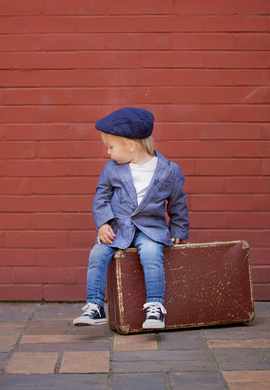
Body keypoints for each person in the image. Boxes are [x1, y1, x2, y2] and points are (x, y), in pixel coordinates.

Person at [73, 107, 189, 329]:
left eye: (111, 147)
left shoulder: (169, 170)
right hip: (118, 230)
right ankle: (95, 306)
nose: (108, 152)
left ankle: (155, 308)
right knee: (97, 254)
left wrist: (178, 231)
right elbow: (101, 197)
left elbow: (177, 203)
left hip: (150, 230)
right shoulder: (113, 168)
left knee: (152, 254)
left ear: (130, 145)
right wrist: (103, 224)